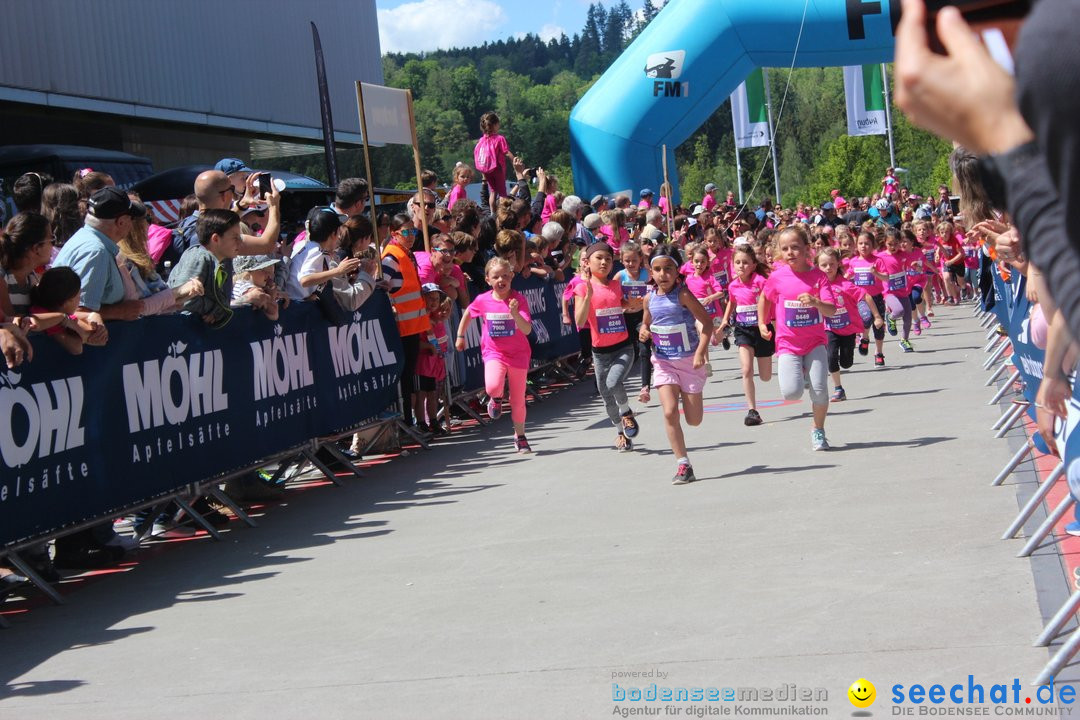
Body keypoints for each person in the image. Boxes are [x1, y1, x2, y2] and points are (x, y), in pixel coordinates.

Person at [758, 225, 837, 450]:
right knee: (791, 392)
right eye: (785, 249)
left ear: (806, 249)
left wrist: (816, 303)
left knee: (820, 390)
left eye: (795, 247)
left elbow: (831, 309)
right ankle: (802, 372)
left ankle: (818, 430)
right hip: (788, 343)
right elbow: (764, 298)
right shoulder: (777, 277)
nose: (790, 252)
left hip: (814, 342)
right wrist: (762, 322)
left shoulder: (818, 277)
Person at [638, 245, 713, 484]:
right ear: (651, 271)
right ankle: (683, 464)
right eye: (657, 269)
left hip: (689, 361)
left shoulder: (683, 295)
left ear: (677, 269)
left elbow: (707, 324)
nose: (663, 274)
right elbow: (646, 324)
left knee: (694, 420)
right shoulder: (649, 298)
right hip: (663, 362)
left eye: (668, 269)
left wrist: (701, 352)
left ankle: (688, 393)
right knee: (670, 412)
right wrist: (643, 331)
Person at [455, 257, 533, 453]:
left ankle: (520, 436)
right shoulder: (483, 300)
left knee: (518, 399)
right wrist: (460, 335)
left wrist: (514, 313)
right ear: (488, 279)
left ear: (512, 277)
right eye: (496, 276)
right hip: (494, 352)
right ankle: (496, 398)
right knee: (492, 386)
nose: (501, 280)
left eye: (505, 275)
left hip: (518, 354)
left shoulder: (518, 300)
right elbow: (468, 314)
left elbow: (526, 330)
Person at [575, 242, 640, 451]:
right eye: (599, 258)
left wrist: (634, 303)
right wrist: (588, 296)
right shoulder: (581, 287)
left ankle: (627, 412)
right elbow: (579, 321)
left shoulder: (616, 284)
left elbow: (625, 306)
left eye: (608, 259)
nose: (604, 262)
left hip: (623, 347)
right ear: (587, 262)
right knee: (605, 394)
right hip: (600, 353)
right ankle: (621, 433)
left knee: (613, 383)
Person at [52, 187, 145, 326]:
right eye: (131, 218)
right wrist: (120, 312)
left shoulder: (88, 240)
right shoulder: (96, 252)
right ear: (121, 222)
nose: (132, 224)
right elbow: (78, 312)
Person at [383, 213, 432, 430]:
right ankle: (405, 422)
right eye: (406, 232)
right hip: (401, 327)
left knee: (410, 376)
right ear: (394, 234)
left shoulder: (406, 253)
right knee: (404, 377)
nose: (411, 236)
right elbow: (382, 286)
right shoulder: (391, 257)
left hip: (412, 326)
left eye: (413, 231)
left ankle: (409, 421)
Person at [719, 242, 774, 426]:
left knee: (765, 376)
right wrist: (726, 319)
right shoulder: (733, 285)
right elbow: (732, 303)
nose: (741, 266)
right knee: (746, 369)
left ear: (753, 265)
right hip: (743, 330)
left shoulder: (760, 281)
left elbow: (771, 300)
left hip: (762, 328)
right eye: (737, 262)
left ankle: (766, 368)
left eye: (745, 262)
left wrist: (772, 320)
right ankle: (752, 410)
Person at [818, 247, 882, 401]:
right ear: (818, 267)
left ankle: (860, 343)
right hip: (829, 328)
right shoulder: (817, 285)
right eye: (824, 265)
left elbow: (865, 296)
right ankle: (838, 389)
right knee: (831, 357)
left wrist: (877, 316)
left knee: (846, 363)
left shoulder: (845, 285)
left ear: (838, 264)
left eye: (832, 264)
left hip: (848, 329)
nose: (828, 268)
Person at [166, 209, 242, 328]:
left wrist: (217, 311)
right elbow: (184, 299)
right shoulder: (199, 257)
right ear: (216, 239)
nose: (240, 242)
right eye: (235, 238)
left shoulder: (221, 260)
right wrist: (215, 309)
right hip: (183, 331)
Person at [27, 267, 104, 355]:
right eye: (78, 296)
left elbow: (91, 316)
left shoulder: (60, 311)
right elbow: (77, 348)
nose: (80, 299)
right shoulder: (44, 314)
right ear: (67, 301)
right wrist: (69, 323)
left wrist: (99, 327)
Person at [614, 241, 652, 403]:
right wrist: (625, 302)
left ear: (640, 260)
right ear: (622, 260)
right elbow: (612, 297)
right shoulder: (620, 276)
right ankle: (612, 383)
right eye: (627, 260)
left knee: (645, 349)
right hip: (625, 317)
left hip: (642, 317)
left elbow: (656, 290)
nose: (631, 264)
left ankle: (645, 387)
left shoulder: (647, 274)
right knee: (628, 353)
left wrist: (647, 299)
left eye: (634, 260)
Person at [848, 230, 889, 368]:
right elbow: (848, 276)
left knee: (878, 326)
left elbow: (886, 277)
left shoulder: (877, 261)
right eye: (860, 243)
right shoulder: (853, 262)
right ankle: (864, 337)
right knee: (865, 319)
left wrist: (876, 273)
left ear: (873, 246)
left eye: (867, 244)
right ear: (856, 245)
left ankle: (879, 353)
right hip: (860, 299)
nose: (863, 246)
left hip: (877, 297)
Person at [0, 212, 53, 318]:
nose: (53, 246)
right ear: (37, 248)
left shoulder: (32, 278)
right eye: (51, 240)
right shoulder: (3, 277)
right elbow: (11, 323)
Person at [417, 283, 451, 435]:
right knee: (421, 395)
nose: (433, 303)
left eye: (436, 299)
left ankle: (433, 422)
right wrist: (429, 347)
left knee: (432, 395)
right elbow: (415, 342)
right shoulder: (418, 317)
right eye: (430, 298)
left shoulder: (434, 319)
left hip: (433, 363)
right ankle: (421, 423)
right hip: (422, 363)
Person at [474, 111, 517, 205]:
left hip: (487, 170)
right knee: (502, 192)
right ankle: (504, 212)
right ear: (495, 125)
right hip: (498, 168)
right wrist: (515, 161)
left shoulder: (481, 140)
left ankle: (493, 213)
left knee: (493, 191)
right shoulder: (499, 138)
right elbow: (506, 152)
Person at [231, 255, 281, 321]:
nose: (269, 276)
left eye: (271, 272)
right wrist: (272, 296)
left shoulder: (242, 284)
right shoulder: (245, 285)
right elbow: (273, 314)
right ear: (248, 273)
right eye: (263, 270)